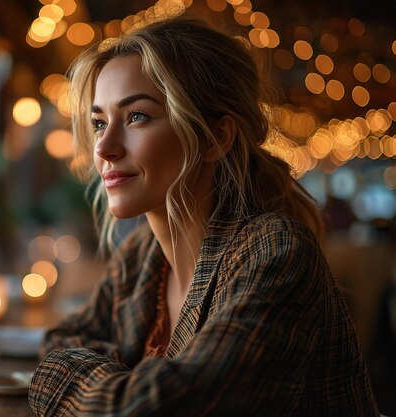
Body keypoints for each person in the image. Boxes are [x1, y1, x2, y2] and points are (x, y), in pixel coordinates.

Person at [28, 17, 380, 416]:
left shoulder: (275, 251)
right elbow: (59, 340)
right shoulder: (141, 256)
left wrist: (67, 375)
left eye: (137, 116)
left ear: (216, 138)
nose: (104, 147)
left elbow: (166, 408)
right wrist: (117, 374)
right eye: (98, 123)